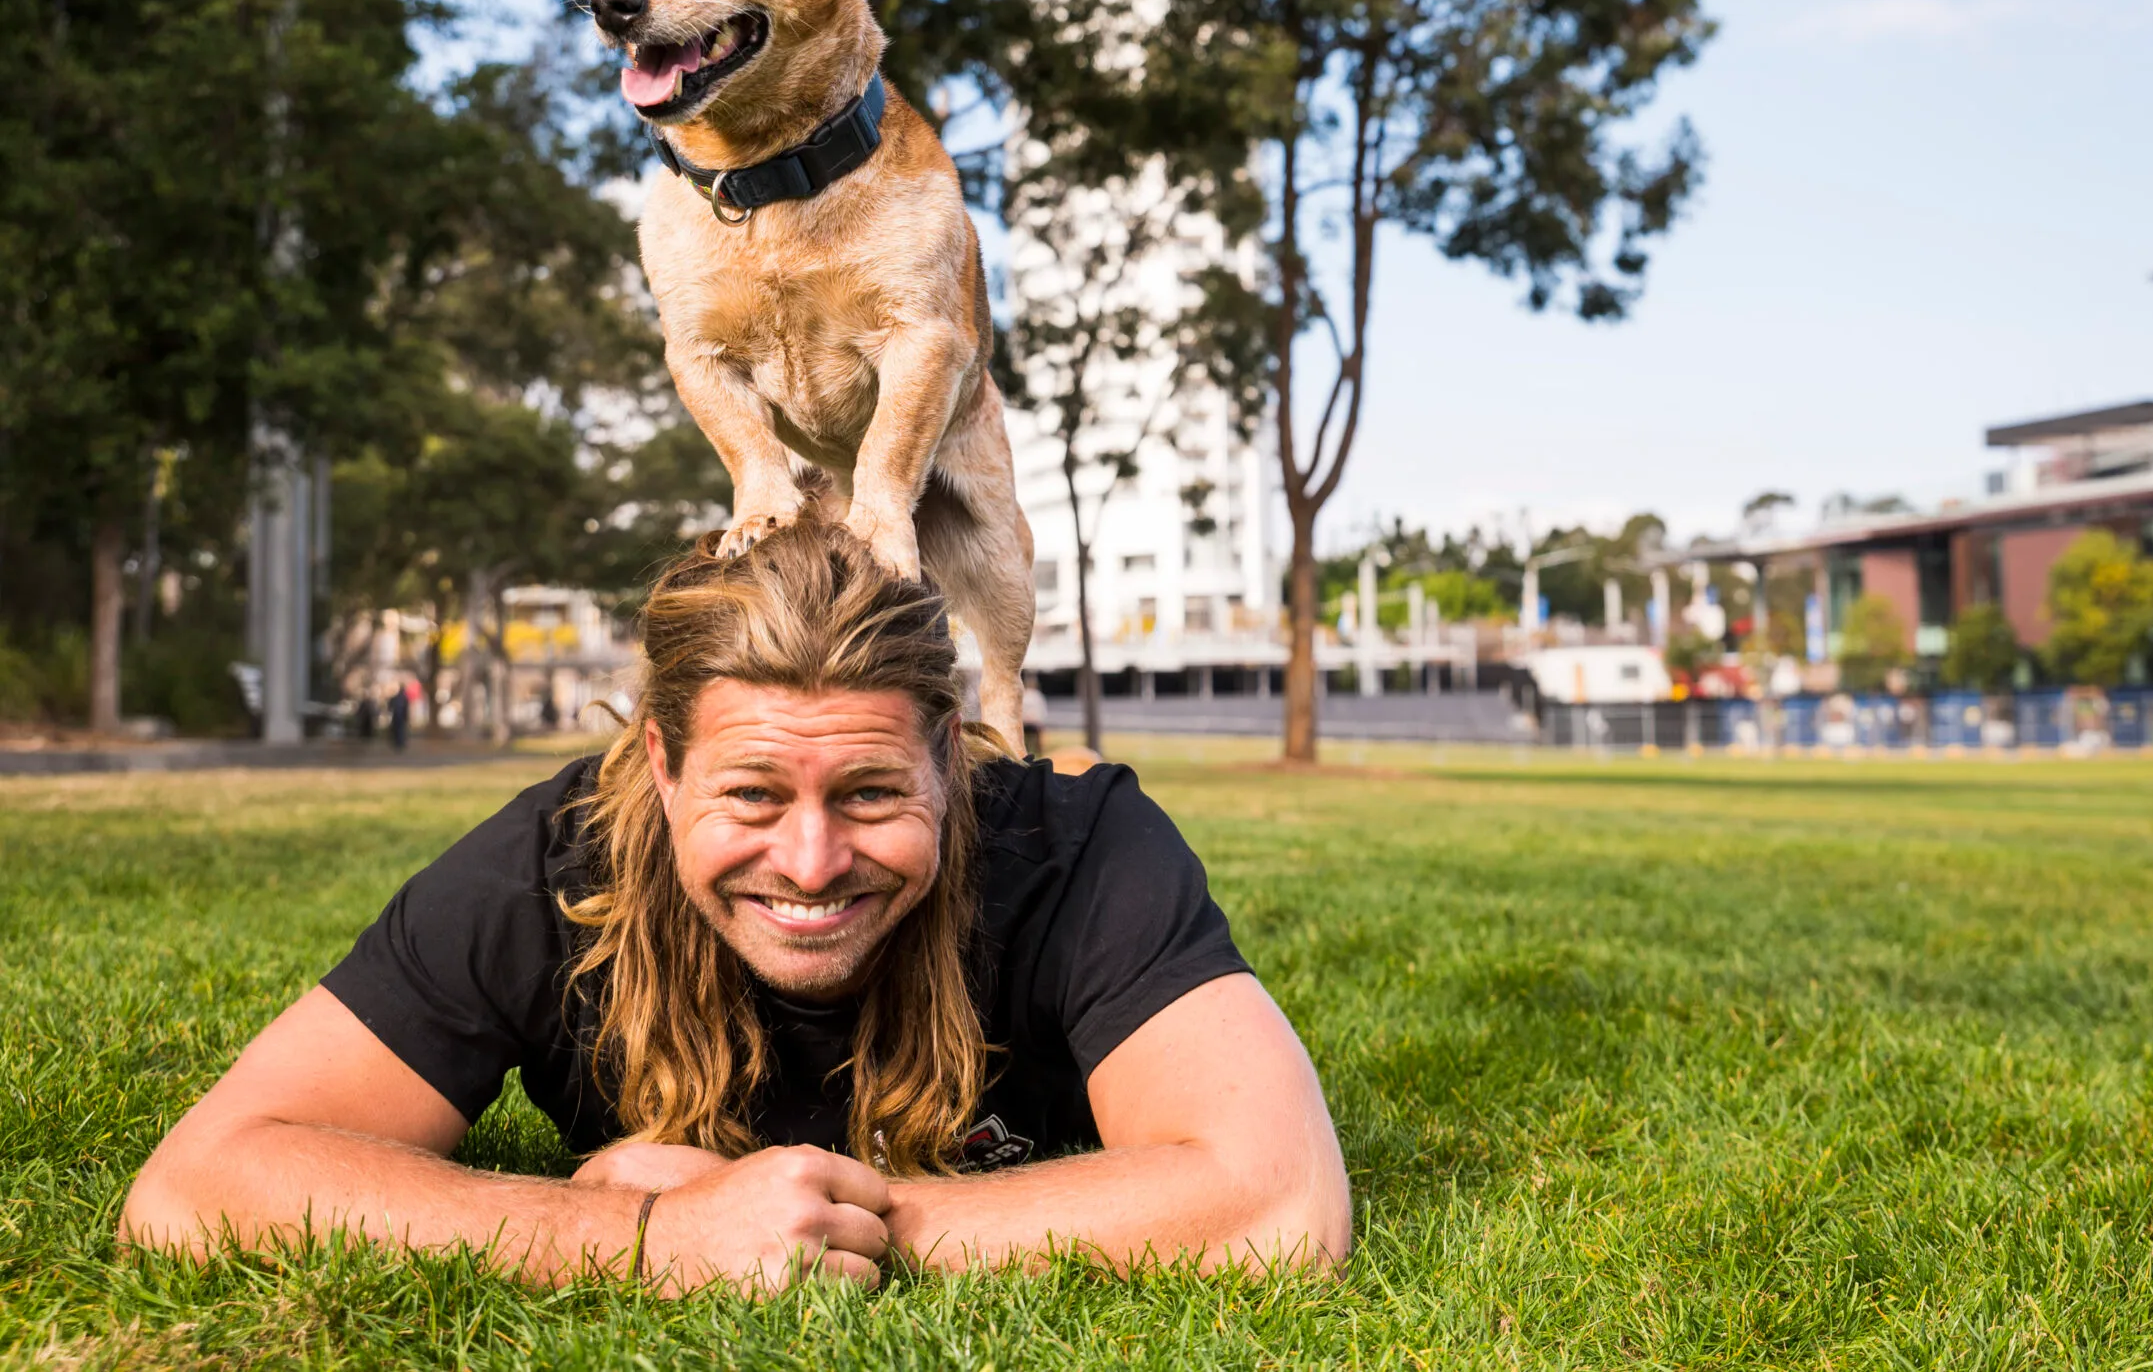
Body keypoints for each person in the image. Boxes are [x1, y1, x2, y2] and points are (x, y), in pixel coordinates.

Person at [122, 522, 1349, 1291]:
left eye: (871, 790)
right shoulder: (554, 865)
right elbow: (198, 1184)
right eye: (751, 792)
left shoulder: (1078, 846)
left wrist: (805, 1219)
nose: (810, 862)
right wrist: (642, 1245)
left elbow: (1277, 1196)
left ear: (946, 756)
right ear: (661, 766)